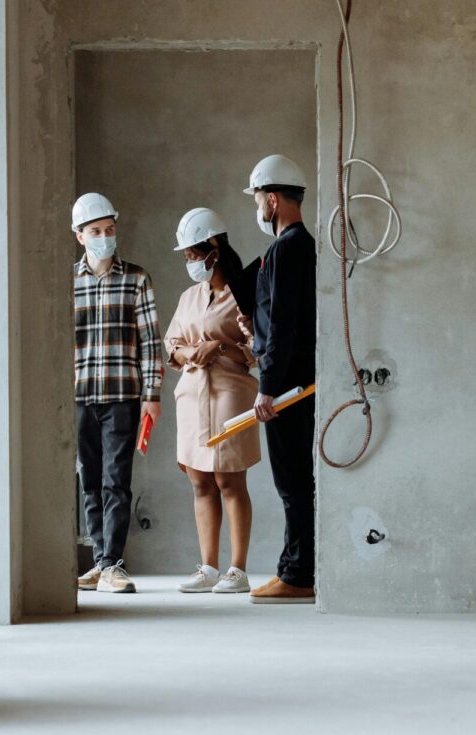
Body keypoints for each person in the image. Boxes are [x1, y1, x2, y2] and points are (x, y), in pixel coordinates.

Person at [164, 208, 260, 594]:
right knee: (200, 480)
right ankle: (208, 566)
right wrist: (189, 354)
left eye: (193, 254)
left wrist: (219, 346)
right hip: (190, 395)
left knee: (229, 479)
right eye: (186, 256)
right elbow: (172, 345)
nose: (190, 262)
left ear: (214, 248)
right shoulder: (189, 297)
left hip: (229, 394)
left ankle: (237, 569)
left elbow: (256, 350)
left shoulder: (245, 294)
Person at [73, 192, 162, 594]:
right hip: (79, 397)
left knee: (115, 480)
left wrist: (152, 396)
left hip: (123, 396)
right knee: (88, 481)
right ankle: (99, 560)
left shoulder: (136, 278)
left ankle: (113, 563)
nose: (105, 237)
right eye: (96, 231)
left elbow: (151, 343)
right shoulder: (67, 284)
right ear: (80, 236)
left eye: (109, 230)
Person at [242, 155, 317, 604]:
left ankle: (297, 574)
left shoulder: (285, 249)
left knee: (291, 481)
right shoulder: (301, 247)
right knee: (296, 481)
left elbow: (286, 323)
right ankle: (296, 568)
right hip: (294, 380)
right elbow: (280, 321)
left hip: (287, 388)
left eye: (257, 199)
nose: (258, 208)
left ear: (272, 199)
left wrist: (266, 386)